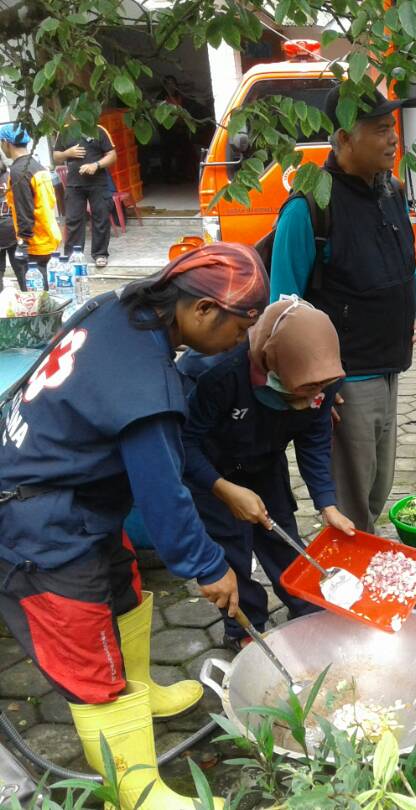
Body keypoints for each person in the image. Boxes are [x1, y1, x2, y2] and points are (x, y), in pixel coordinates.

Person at [0, 243, 267, 808]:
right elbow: (164, 495)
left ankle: (140, 691)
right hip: (35, 518)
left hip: (76, 493)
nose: (241, 343)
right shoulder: (148, 384)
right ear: (200, 312)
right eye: (240, 328)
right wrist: (209, 568)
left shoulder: (119, 309)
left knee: (124, 589)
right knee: (85, 645)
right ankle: (138, 789)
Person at [270, 86, 416, 533]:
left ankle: (359, 560)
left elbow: (401, 259)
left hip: (390, 366)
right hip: (346, 382)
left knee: (377, 487)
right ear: (344, 139)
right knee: (349, 503)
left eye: (394, 129)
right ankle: (348, 585)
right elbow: (281, 310)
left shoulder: (390, 190)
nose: (393, 140)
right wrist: (315, 385)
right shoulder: (308, 210)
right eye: (381, 130)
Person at [180, 296, 352, 651]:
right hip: (210, 471)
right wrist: (222, 488)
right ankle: (246, 626)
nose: (313, 397)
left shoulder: (324, 378)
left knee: (282, 537)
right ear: (270, 363)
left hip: (264, 463)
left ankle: (306, 609)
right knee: (231, 552)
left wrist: (326, 503)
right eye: (304, 390)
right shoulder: (219, 374)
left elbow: (314, 439)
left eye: (321, 389)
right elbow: (184, 444)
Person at [1, 123, 61, 290]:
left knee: (35, 296)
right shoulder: (37, 166)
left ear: (6, 142)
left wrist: (23, 244)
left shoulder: (19, 171)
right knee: (46, 291)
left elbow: (24, 210)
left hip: (35, 242)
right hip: (48, 235)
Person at [52, 121, 117, 268]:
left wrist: (96, 165)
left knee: (101, 218)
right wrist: (67, 153)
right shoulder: (65, 131)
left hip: (98, 183)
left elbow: (112, 155)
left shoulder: (98, 129)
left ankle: (100, 254)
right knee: (73, 220)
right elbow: (56, 156)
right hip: (74, 184)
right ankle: (72, 256)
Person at [0, 164, 18, 287]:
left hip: (12, 229)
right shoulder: (12, 174)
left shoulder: (11, 174)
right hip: (14, 228)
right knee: (21, 269)